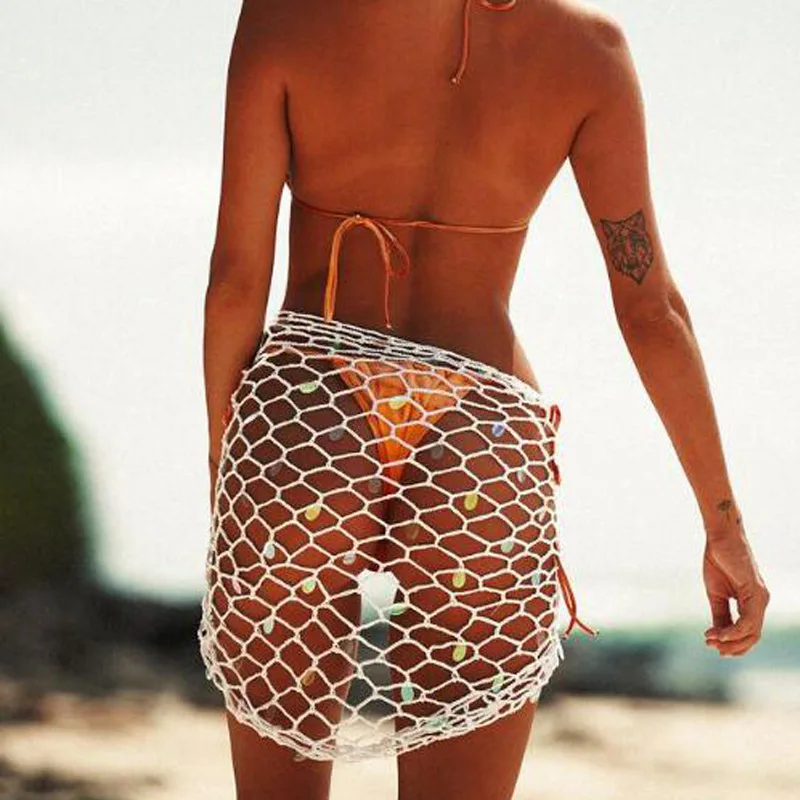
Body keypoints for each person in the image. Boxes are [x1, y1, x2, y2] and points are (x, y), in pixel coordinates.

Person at [199, 1, 770, 798]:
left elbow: (236, 280)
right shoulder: (590, 51)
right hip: (479, 433)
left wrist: (230, 462)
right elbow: (651, 310)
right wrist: (722, 524)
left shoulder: (288, 14)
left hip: (306, 412)